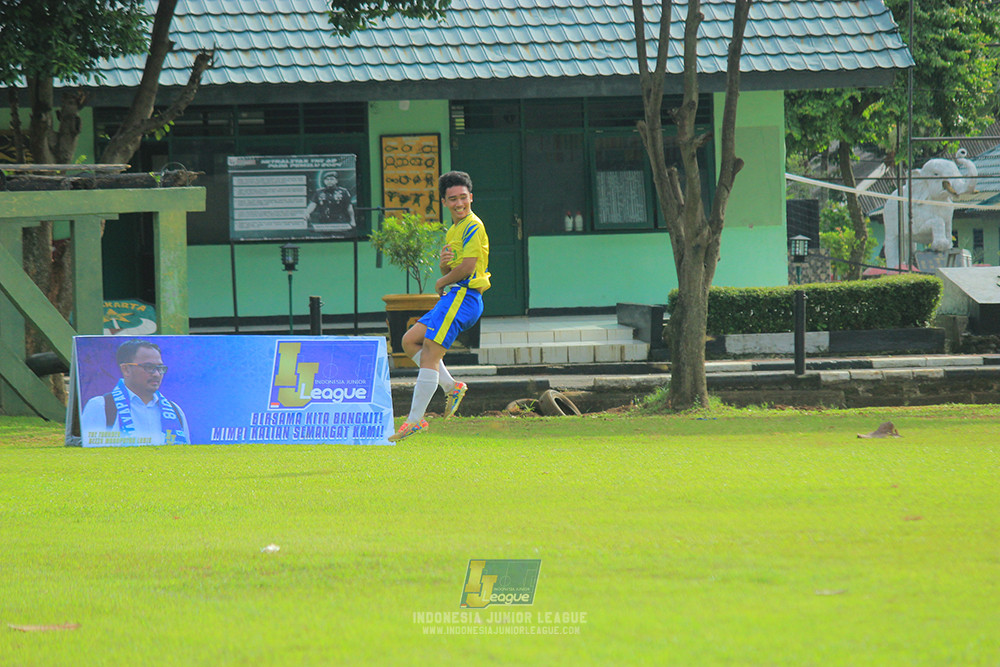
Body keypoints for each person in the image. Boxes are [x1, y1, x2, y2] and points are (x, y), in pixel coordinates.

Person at [389, 170, 490, 441]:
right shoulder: (454, 229)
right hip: (454, 296)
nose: (459, 203)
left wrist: (441, 280)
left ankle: (414, 420)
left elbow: (468, 267)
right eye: (453, 199)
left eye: (463, 198)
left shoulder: (473, 225)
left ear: (471, 197)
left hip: (464, 297)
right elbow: (453, 264)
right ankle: (451, 386)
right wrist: (445, 262)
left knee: (431, 354)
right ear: (444, 202)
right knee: (410, 341)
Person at [81, 339, 190, 446]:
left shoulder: (174, 410)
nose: (157, 374)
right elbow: (92, 457)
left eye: (160, 368)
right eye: (149, 367)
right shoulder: (101, 406)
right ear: (126, 369)